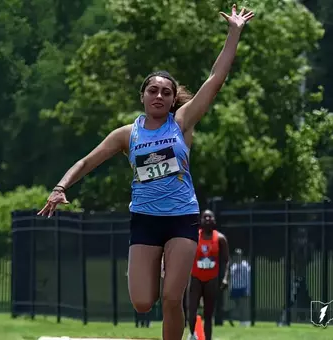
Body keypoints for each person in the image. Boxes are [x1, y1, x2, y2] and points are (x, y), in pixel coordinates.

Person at [37, 4, 254, 340]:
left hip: (182, 217)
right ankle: (158, 265)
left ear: (171, 100)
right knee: (141, 302)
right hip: (145, 219)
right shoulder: (127, 134)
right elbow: (85, 162)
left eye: (166, 92)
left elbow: (216, 78)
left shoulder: (182, 123)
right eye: (153, 90)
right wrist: (60, 186)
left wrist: (234, 31)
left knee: (171, 298)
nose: (159, 95)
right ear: (142, 96)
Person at [187, 210, 230, 340]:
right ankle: (193, 334)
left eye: (210, 217)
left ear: (214, 220)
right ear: (200, 220)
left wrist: (225, 278)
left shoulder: (220, 239)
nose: (207, 219)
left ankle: (208, 338)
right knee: (192, 310)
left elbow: (227, 260)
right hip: (196, 278)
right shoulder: (194, 237)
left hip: (211, 279)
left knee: (208, 313)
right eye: (204, 217)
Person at [228, 248, 251, 327]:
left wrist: (247, 289)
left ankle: (240, 320)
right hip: (235, 288)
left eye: (239, 255)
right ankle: (231, 316)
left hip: (242, 288)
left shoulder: (245, 265)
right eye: (236, 255)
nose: (238, 257)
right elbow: (232, 278)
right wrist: (231, 288)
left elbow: (247, 277)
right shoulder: (233, 266)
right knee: (239, 306)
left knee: (241, 305)